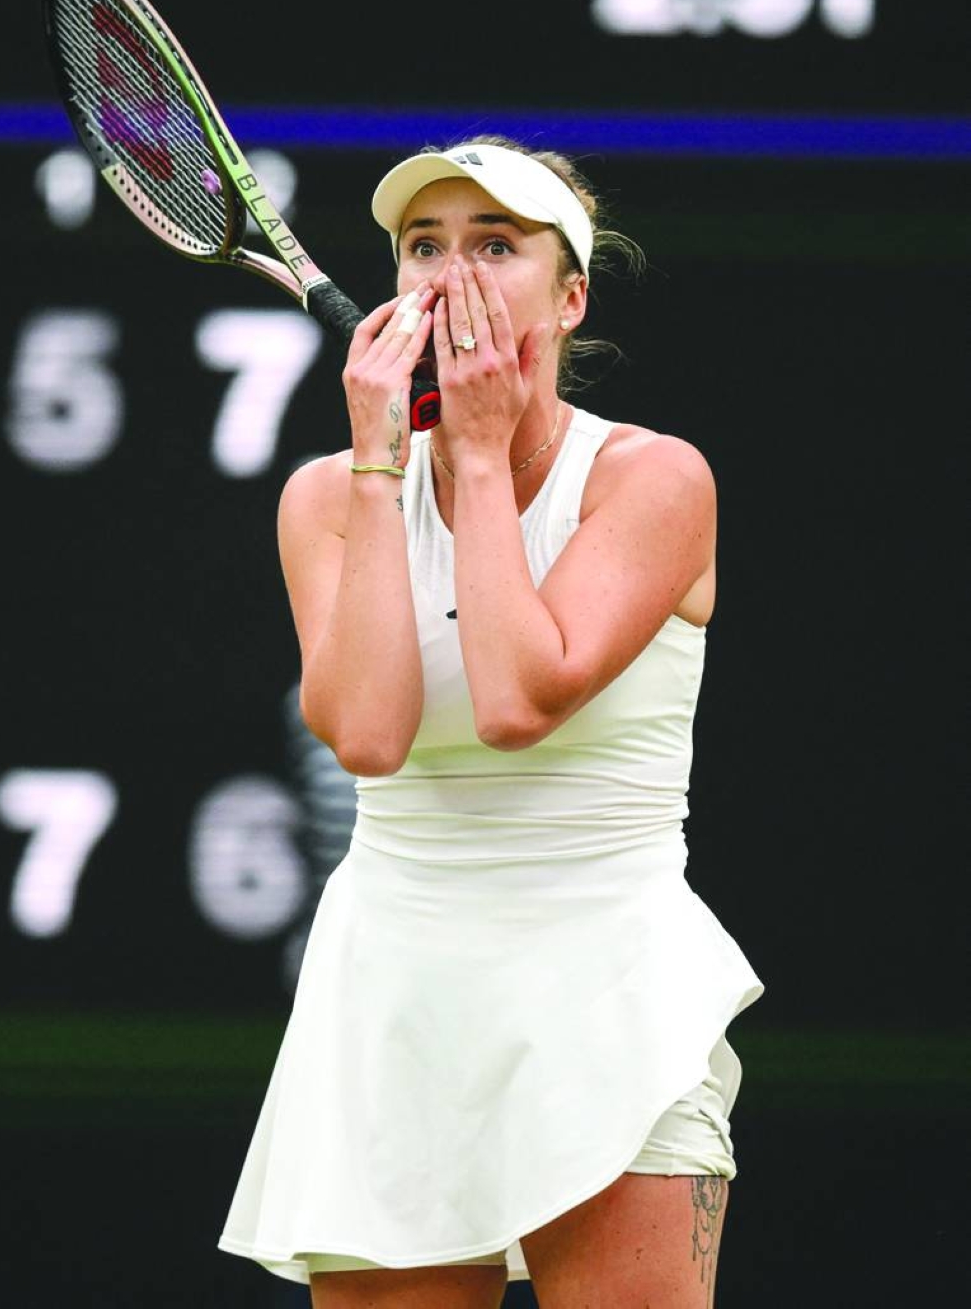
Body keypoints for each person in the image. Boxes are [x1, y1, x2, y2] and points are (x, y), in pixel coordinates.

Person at [218, 137, 763, 1308]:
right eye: (425, 247)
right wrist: (381, 458)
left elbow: (518, 697)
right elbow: (366, 736)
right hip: (393, 1001)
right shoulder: (324, 495)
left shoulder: (655, 479)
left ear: (569, 299)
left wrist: (470, 453)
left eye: (496, 246)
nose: (450, 275)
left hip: (607, 989)